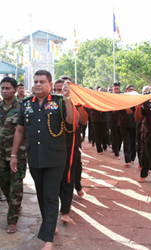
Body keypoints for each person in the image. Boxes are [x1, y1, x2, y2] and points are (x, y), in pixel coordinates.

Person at [10, 70, 77, 250]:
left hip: (55, 157)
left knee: (50, 195)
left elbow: (71, 121)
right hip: (35, 157)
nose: (38, 84)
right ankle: (50, 223)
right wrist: (14, 155)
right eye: (36, 81)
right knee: (41, 194)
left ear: (49, 84)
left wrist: (68, 98)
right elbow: (20, 131)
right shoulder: (26, 104)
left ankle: (48, 240)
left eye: (42, 81)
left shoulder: (59, 102)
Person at [54, 77, 88, 222]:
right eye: (55, 90)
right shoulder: (49, 104)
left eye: (61, 89)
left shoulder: (73, 102)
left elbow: (81, 121)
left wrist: (74, 102)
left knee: (69, 176)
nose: (59, 92)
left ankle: (65, 211)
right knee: (55, 180)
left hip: (70, 145)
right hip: (53, 148)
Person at [0, 77, 27, 234]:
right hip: (1, 154)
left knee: (16, 186)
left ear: (15, 90)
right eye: (2, 88)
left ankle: (12, 220)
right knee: (4, 183)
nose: (4, 91)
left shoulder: (22, 107)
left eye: (8, 88)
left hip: (18, 155)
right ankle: (15, 206)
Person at [119, 84, 137, 166]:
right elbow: (123, 112)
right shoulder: (122, 101)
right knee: (126, 142)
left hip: (134, 124)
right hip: (124, 124)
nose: (131, 91)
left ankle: (133, 157)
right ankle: (127, 160)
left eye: (132, 89)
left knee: (133, 142)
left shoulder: (136, 100)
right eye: (130, 89)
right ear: (126, 91)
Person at [110, 82, 122, 160]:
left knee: (120, 136)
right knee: (114, 135)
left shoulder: (122, 96)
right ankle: (116, 153)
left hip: (121, 119)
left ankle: (117, 148)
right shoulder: (110, 96)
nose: (116, 90)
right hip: (112, 119)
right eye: (115, 89)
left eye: (117, 88)